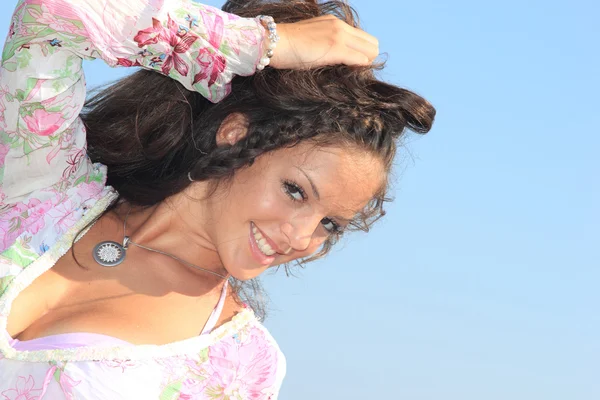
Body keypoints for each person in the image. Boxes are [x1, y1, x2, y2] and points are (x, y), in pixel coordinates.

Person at [0, 0, 435, 398]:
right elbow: (51, 15)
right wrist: (263, 44)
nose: (302, 237)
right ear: (235, 135)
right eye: (295, 191)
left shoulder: (240, 368)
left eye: (329, 224)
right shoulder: (49, 184)